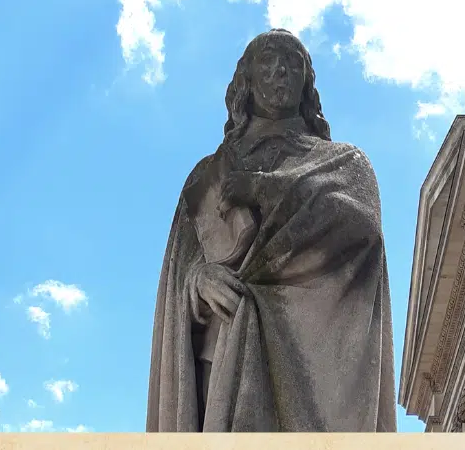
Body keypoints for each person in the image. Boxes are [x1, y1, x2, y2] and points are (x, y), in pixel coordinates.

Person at [146, 29, 397, 432]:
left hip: (318, 368)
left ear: (306, 83)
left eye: (291, 62)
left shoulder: (344, 165)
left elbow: (361, 231)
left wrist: (265, 189)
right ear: (246, 81)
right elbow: (180, 277)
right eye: (267, 61)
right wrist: (198, 282)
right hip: (224, 352)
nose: (280, 70)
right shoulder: (208, 178)